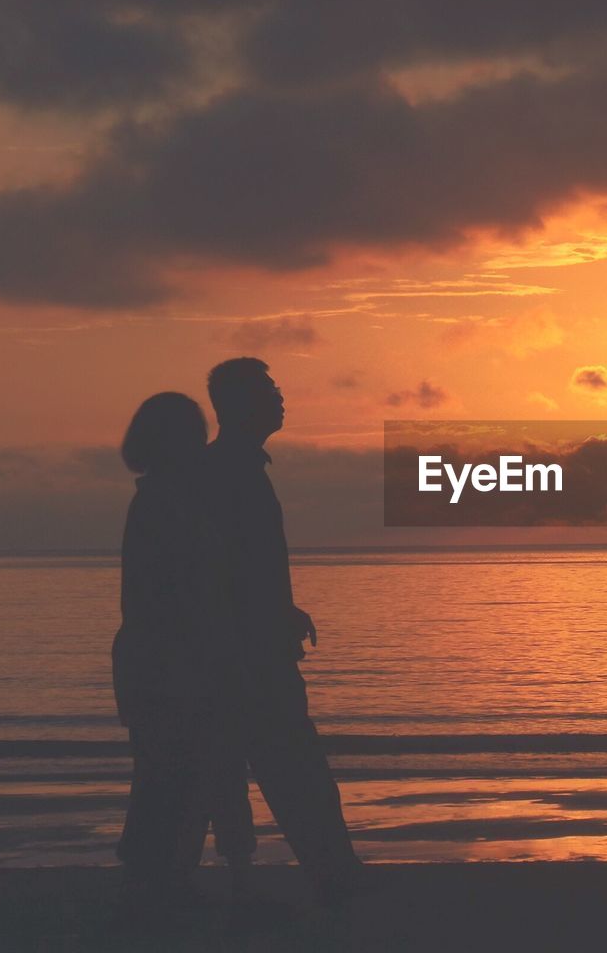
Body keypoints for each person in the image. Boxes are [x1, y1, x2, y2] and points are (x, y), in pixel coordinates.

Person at [203, 358, 361, 908]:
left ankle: (321, 878)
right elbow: (223, 570)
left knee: (269, 776)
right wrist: (268, 618)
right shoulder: (229, 471)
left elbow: (241, 566)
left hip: (251, 653)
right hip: (250, 663)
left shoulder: (239, 468)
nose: (281, 396)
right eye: (270, 389)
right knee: (296, 777)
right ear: (243, 404)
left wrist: (283, 608)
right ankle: (335, 882)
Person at [112, 393, 256, 911]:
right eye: (194, 433)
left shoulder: (163, 499)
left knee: (166, 773)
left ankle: (160, 880)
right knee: (168, 775)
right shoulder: (167, 503)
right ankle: (156, 884)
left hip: (157, 659)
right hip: (169, 662)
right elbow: (183, 592)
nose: (203, 442)